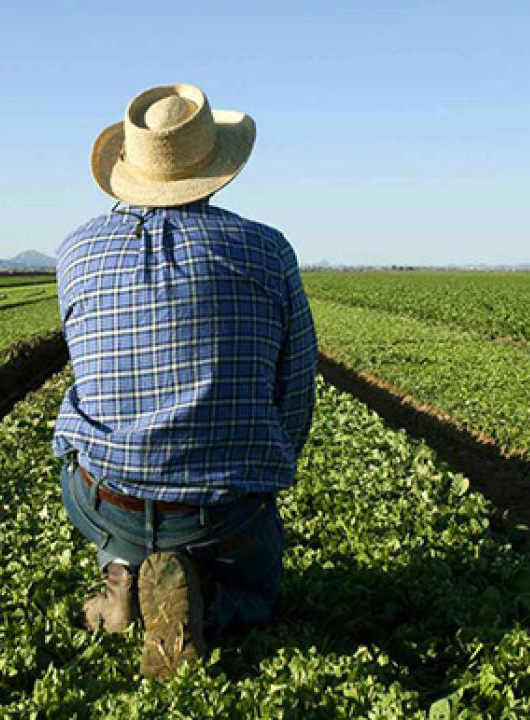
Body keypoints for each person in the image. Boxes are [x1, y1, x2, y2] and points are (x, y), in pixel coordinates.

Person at [53, 83, 316, 679]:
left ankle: (124, 568)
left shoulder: (75, 253)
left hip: (107, 498)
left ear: (130, 166)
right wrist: (265, 478)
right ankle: (218, 602)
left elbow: (90, 378)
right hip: (224, 512)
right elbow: (295, 393)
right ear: (217, 167)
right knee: (262, 590)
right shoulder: (267, 250)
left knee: (77, 460)